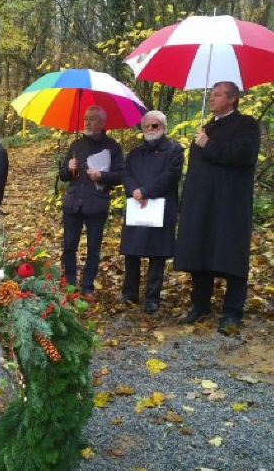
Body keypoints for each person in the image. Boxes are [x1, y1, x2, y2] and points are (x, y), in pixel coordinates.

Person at [174, 82, 261, 334]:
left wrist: (208, 144)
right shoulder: (207, 127)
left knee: (231, 253)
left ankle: (232, 311)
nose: (211, 98)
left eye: (217, 95)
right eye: (211, 94)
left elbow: (244, 155)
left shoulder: (246, 124)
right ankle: (200, 304)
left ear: (232, 99)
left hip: (230, 204)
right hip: (202, 202)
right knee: (200, 249)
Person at [120, 111, 183, 313]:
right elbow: (126, 173)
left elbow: (171, 175)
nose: (150, 129)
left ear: (163, 127)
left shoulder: (174, 150)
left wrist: (146, 191)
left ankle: (152, 297)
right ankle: (130, 293)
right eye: (146, 126)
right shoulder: (135, 152)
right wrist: (135, 191)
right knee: (132, 250)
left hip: (161, 206)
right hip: (137, 205)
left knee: (157, 253)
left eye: (154, 125)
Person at [59, 105, 124, 302]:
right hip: (73, 203)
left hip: (96, 204)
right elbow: (62, 176)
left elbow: (121, 175)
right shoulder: (76, 144)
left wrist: (101, 176)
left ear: (102, 123)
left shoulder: (113, 147)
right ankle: (69, 283)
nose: (87, 122)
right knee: (69, 246)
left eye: (92, 119)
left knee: (93, 248)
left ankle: (87, 287)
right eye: (86, 118)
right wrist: (68, 168)